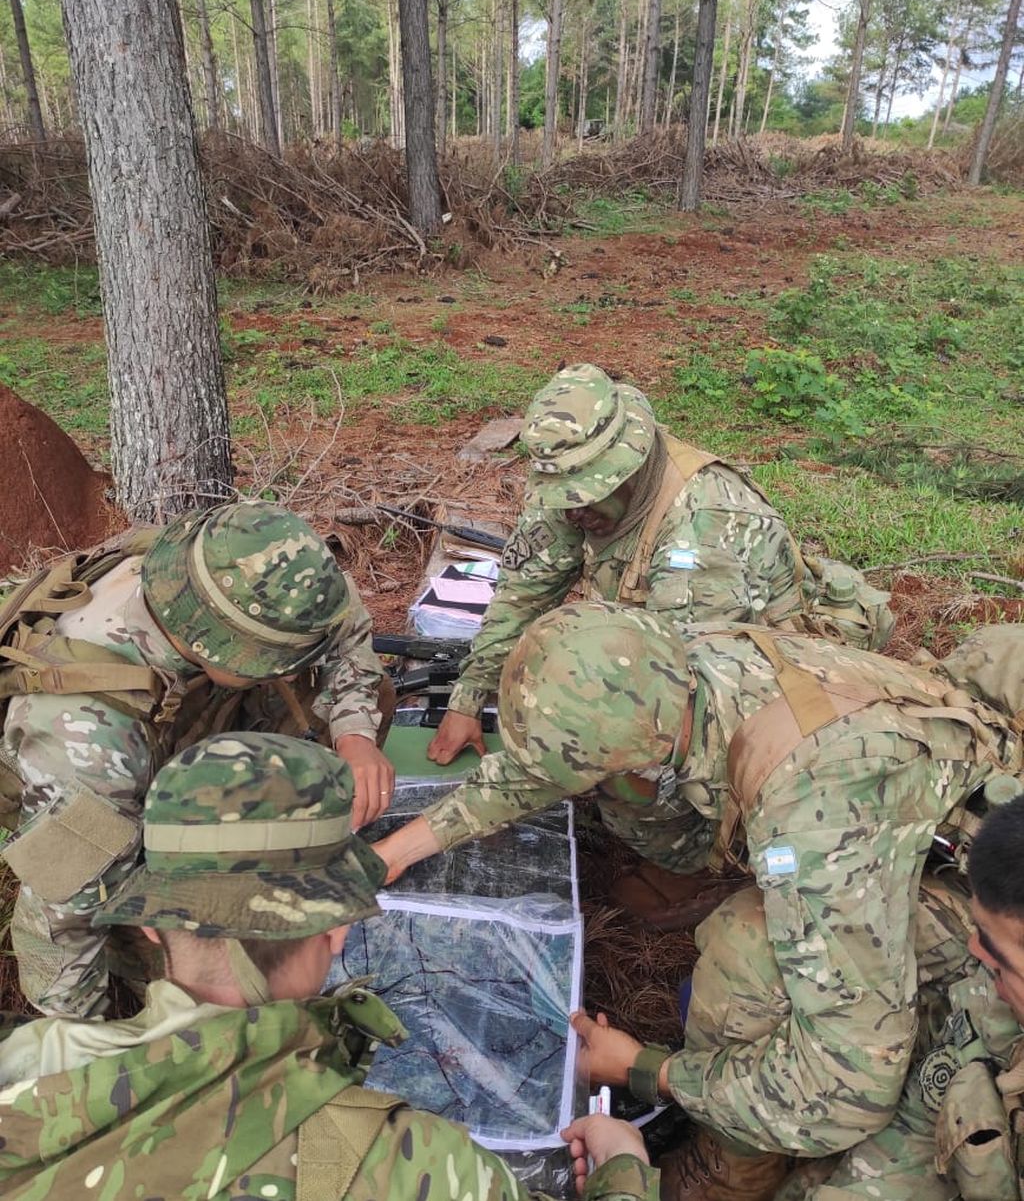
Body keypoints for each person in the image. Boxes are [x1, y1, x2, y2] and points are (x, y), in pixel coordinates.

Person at [374, 601, 1024, 1198]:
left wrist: (648, 1070)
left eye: (599, 777)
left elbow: (850, 1087)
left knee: (744, 952)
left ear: (644, 756)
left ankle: (731, 1172)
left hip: (982, 893)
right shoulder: (669, 667)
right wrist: (396, 850)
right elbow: (538, 768)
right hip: (939, 828)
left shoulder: (811, 812)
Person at [0, 732, 658, 1201]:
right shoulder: (421, 1166)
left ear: (151, 921)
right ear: (339, 928)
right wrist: (623, 1165)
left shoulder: (25, 1063)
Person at [0, 500, 395, 1017]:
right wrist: (96, 1049)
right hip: (90, 800)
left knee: (371, 693)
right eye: (276, 660)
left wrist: (355, 735)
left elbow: (342, 627)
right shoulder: (90, 743)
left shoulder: (232, 564)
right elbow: (57, 923)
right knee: (195, 966)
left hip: (178, 721)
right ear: (213, 647)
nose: (296, 665)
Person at [428, 363, 892, 768]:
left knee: (643, 809)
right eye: (565, 497)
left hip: (767, 672)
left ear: (629, 467)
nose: (572, 513)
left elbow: (695, 690)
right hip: (676, 648)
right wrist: (467, 700)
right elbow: (522, 595)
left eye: (585, 495)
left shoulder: (705, 528)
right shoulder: (576, 497)